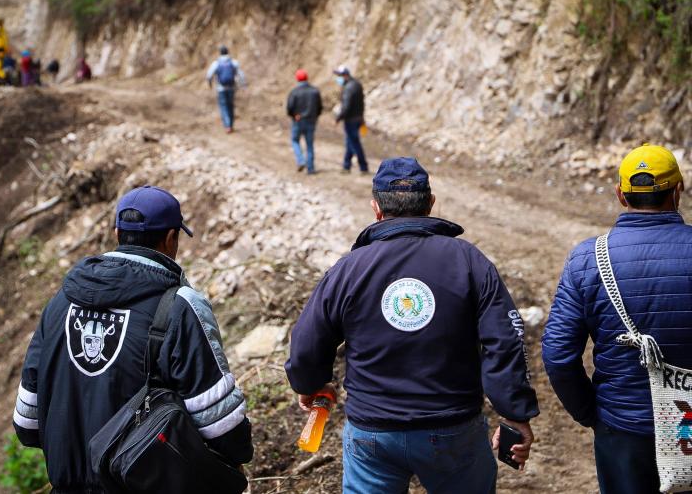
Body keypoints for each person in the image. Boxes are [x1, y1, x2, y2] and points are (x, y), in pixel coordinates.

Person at [286, 157, 539, 493]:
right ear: (431, 204)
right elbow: (505, 340)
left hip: (372, 433)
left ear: (376, 208)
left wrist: (311, 385)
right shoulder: (468, 261)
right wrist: (514, 413)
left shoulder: (348, 269)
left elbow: (306, 343)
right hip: (453, 427)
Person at [12, 186, 253, 492]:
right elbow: (222, 426)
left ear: (116, 233)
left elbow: (27, 422)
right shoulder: (178, 306)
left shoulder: (59, 303)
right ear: (170, 238)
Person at [543, 144, 692, 494]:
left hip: (622, 428)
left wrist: (591, 413)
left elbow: (557, 355)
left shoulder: (586, 259)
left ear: (620, 195)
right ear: (678, 191)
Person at [286, 69, 322, 174]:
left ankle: (301, 161)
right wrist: (315, 117)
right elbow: (320, 107)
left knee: (294, 140)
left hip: (298, 121)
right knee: (309, 144)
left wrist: (293, 115)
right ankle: (310, 168)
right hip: (311, 120)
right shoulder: (315, 91)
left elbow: (289, 107)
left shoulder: (294, 92)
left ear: (297, 79)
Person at [333, 65, 368, 174]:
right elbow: (362, 103)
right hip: (358, 118)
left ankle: (363, 167)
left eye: (339, 76)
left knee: (354, 143)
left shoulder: (348, 88)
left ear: (345, 75)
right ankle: (346, 166)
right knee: (350, 142)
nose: (337, 78)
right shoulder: (357, 84)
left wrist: (338, 118)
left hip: (351, 120)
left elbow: (346, 106)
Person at [206, 45, 246, 133]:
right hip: (232, 88)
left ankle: (227, 126)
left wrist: (209, 84)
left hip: (221, 89)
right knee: (230, 106)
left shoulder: (216, 63)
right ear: (228, 52)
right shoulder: (233, 62)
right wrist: (243, 86)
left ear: (220, 53)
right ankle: (230, 125)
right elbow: (241, 75)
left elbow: (209, 75)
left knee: (223, 106)